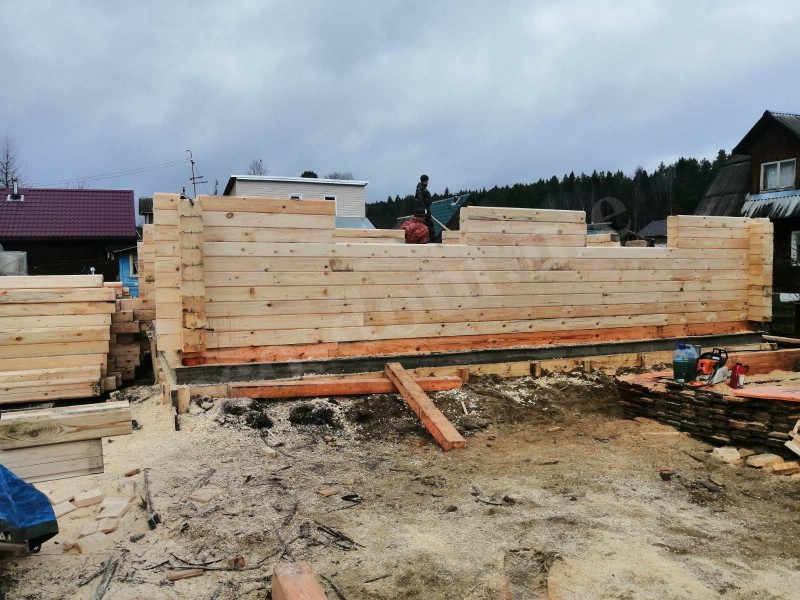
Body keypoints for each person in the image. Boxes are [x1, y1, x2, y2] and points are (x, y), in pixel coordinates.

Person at [414, 174, 436, 240]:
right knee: (427, 223)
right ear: (425, 180)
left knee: (429, 223)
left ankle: (431, 237)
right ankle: (430, 238)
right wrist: (424, 208)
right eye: (427, 180)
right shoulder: (420, 187)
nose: (428, 182)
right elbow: (420, 199)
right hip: (423, 208)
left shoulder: (423, 187)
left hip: (425, 207)